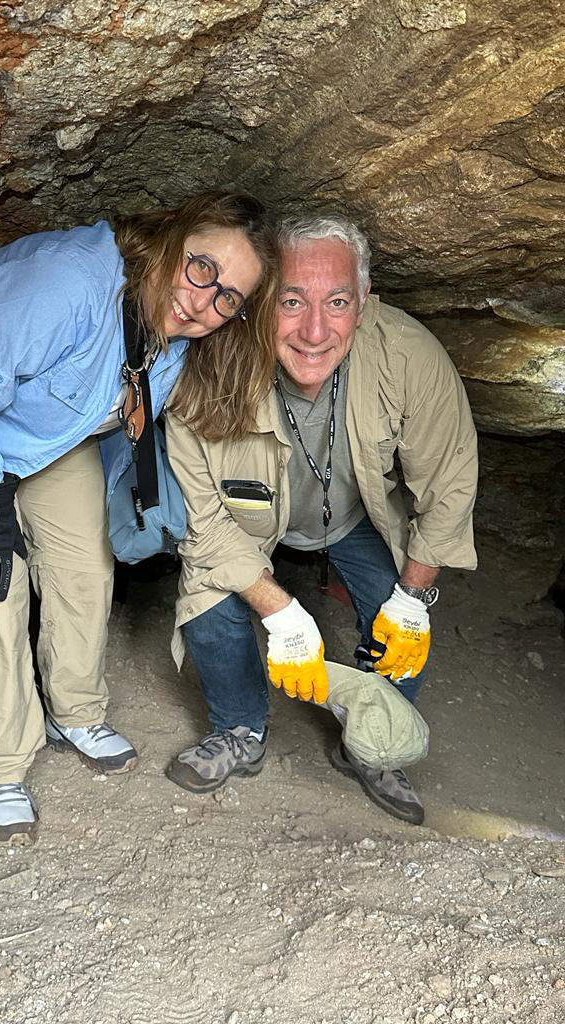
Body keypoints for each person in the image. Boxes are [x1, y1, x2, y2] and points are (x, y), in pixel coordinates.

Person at [0, 192, 279, 843]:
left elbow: (117, 414)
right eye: (202, 268)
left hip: (35, 431)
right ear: (170, 234)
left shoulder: (171, 342)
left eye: (228, 297)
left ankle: (74, 712)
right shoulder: (66, 281)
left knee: (84, 560)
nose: (203, 302)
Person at [164, 214, 478, 824]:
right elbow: (203, 520)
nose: (313, 330)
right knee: (206, 596)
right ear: (259, 303)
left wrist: (413, 599)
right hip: (244, 522)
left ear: (362, 304)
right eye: (291, 301)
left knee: (401, 615)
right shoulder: (206, 371)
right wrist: (281, 613)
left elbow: (449, 485)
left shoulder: (408, 357)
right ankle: (240, 730)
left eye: (336, 301)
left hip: (353, 515)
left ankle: (372, 743)